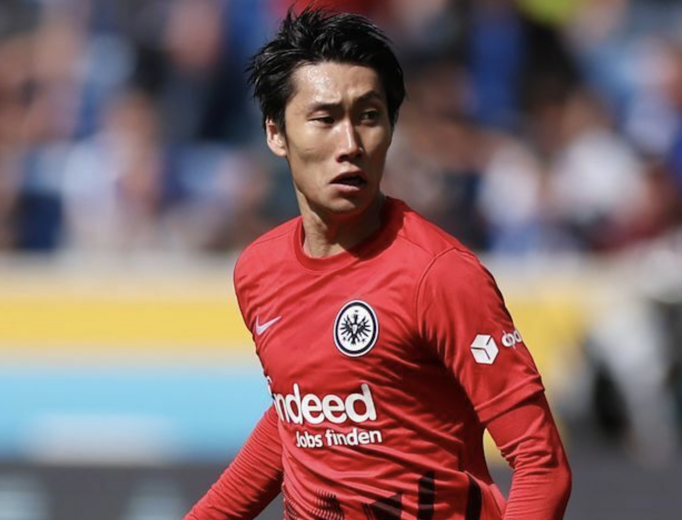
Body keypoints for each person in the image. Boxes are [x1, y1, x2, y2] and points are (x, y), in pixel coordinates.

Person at [185, 6, 571, 520]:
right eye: (325, 119)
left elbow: (542, 463)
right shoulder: (258, 270)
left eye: (368, 116)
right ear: (276, 133)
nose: (350, 145)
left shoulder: (439, 274)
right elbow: (298, 418)